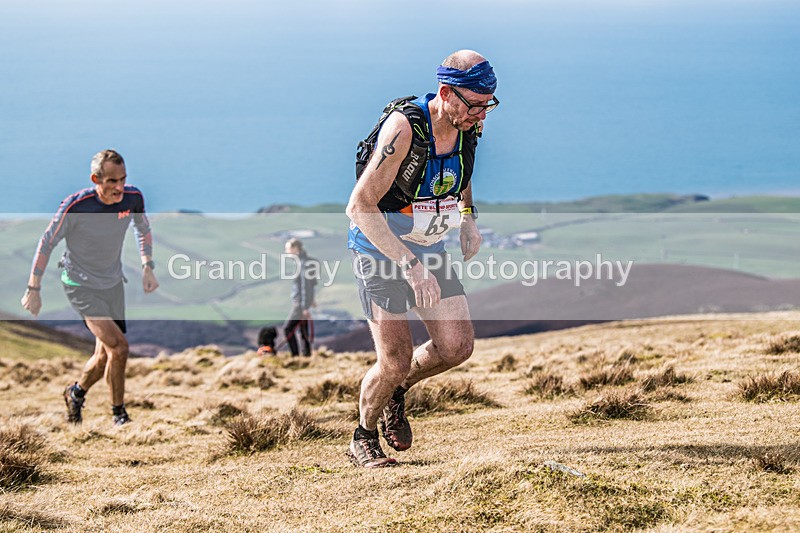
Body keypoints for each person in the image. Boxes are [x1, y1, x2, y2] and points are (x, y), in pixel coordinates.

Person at [345, 50, 499, 467]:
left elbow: (460, 177)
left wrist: (468, 217)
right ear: (446, 93)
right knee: (393, 361)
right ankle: (363, 435)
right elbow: (359, 206)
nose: (482, 115)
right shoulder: (405, 130)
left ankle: (396, 391)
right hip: (378, 250)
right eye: (475, 105)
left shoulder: (467, 126)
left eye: (489, 105)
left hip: (427, 247)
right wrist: (409, 266)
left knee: (457, 346)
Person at [20, 149, 159, 426]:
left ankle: (76, 393)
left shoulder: (133, 198)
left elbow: (142, 229)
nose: (119, 187)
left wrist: (147, 266)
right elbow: (46, 242)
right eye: (111, 181)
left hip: (112, 283)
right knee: (119, 348)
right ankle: (119, 415)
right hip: (80, 285)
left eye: (122, 179)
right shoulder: (77, 206)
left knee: (102, 355)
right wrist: (33, 288)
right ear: (96, 178)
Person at [283, 238, 317, 356]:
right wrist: (311, 300)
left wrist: (305, 307)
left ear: (295, 248)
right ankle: (306, 356)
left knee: (287, 329)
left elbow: (305, 285)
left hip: (300, 303)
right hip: (303, 302)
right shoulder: (305, 262)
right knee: (303, 330)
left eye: (288, 249)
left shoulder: (302, 263)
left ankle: (295, 355)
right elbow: (311, 284)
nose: (286, 252)